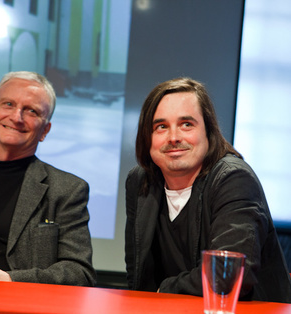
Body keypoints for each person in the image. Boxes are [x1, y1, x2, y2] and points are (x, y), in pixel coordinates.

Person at [125, 77, 291, 303]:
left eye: (187, 124)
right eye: (161, 127)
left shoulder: (234, 179)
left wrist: (162, 292)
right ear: (147, 138)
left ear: (208, 132)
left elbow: (227, 276)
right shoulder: (140, 181)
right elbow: (137, 273)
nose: (174, 138)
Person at [0, 71, 96, 286]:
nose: (16, 117)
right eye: (9, 104)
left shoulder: (67, 190)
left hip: (17, 303)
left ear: (45, 130)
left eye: (31, 111)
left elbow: (79, 273)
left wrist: (11, 279)